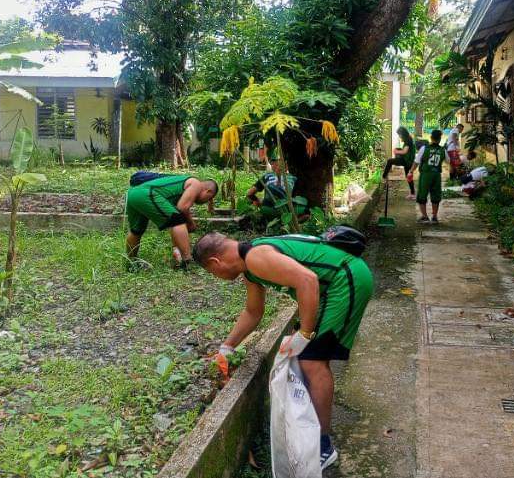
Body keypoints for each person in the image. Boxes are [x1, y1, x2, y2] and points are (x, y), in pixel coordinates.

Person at [193, 232, 374, 471]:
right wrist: (226, 347)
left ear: (215, 262)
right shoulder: (250, 267)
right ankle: (311, 426)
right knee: (306, 358)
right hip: (334, 284)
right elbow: (253, 312)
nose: (215, 277)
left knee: (312, 361)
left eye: (210, 272)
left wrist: (305, 334)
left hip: (346, 279)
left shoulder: (256, 257)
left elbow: (307, 280)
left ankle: (322, 446)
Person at [125, 174, 218, 267]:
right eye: (209, 199)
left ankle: (131, 263)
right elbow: (182, 208)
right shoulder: (196, 183)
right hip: (146, 193)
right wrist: (191, 223)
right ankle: (187, 260)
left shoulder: (178, 191)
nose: (205, 202)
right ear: (208, 191)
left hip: (133, 194)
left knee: (136, 231)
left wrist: (175, 247)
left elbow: (174, 219)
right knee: (178, 220)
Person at [246, 152, 304, 218]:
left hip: (267, 210)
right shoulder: (294, 178)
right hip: (285, 213)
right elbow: (297, 199)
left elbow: (249, 193)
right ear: (286, 166)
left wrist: (258, 201)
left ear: (273, 165)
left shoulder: (266, 176)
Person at [408, 129, 446, 223]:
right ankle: (435, 217)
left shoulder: (424, 148)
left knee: (422, 195)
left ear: (431, 137)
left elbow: (416, 162)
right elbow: (449, 162)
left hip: (425, 175)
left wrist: (410, 172)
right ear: (440, 139)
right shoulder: (442, 150)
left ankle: (425, 217)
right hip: (436, 175)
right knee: (436, 195)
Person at [381, 126, 416, 199]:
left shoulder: (408, 140)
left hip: (407, 161)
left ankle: (384, 177)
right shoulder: (408, 139)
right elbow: (405, 150)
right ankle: (413, 194)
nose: (399, 136)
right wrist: (397, 150)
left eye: (399, 134)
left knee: (390, 161)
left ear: (402, 133)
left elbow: (404, 151)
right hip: (408, 160)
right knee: (408, 177)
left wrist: (396, 151)